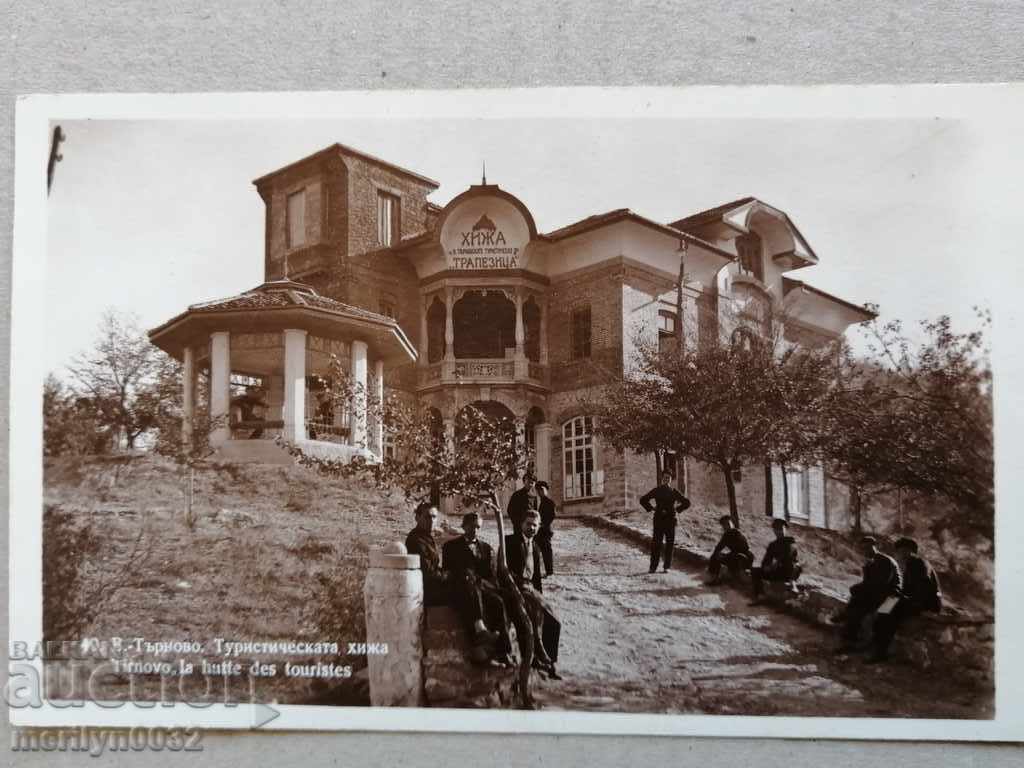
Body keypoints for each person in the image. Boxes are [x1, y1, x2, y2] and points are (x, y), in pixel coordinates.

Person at [442, 512, 512, 663]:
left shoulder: (486, 549)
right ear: (463, 526)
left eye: (478, 527)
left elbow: (491, 576)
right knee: (467, 579)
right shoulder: (450, 547)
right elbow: (447, 573)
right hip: (461, 589)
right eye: (471, 527)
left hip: (483, 588)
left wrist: (481, 583)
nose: (475, 530)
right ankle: (479, 631)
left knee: (499, 602)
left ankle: (504, 649)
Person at [505, 508, 562, 679]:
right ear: (521, 524)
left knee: (553, 622)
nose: (531, 528)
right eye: (528, 524)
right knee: (533, 620)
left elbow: (536, 577)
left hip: (531, 588)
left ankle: (550, 664)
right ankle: (537, 657)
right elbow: (503, 569)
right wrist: (518, 584)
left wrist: (541, 596)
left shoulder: (535, 546)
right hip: (514, 588)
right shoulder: (510, 542)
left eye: (535, 526)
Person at [867, 537, 943, 663]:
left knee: (889, 613)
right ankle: (877, 645)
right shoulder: (909, 564)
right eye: (899, 551)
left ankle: (881, 652)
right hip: (915, 600)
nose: (900, 554)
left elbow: (921, 590)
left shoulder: (919, 563)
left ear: (911, 551)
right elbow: (905, 588)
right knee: (884, 608)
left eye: (903, 551)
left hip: (927, 603)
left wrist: (901, 599)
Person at [834, 536, 902, 654]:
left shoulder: (884, 560)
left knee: (874, 616)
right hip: (879, 594)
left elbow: (881, 583)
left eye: (867, 548)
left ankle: (859, 643)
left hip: (892, 597)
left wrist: (860, 590)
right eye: (862, 549)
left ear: (874, 546)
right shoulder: (870, 563)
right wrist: (858, 588)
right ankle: (849, 640)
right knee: (856, 607)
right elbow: (868, 583)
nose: (864, 551)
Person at [639, 471, 691, 573]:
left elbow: (687, 503)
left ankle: (666, 567)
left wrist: (677, 509)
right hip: (658, 520)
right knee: (656, 544)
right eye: (665, 478)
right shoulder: (657, 490)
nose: (667, 479)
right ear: (662, 479)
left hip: (670, 520)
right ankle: (652, 567)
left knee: (670, 544)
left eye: (669, 478)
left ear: (671, 479)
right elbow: (643, 500)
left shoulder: (673, 491)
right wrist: (651, 508)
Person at [404, 502, 448, 606]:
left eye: (434, 517)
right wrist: (448, 575)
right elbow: (428, 572)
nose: (431, 521)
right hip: (426, 589)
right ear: (417, 518)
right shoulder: (416, 539)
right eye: (427, 517)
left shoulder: (426, 537)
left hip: (433, 584)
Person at [750, 519, 802, 604]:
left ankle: (793, 587)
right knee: (755, 571)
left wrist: (776, 563)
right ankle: (760, 596)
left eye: (781, 528)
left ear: (786, 529)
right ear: (774, 531)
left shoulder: (791, 541)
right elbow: (766, 560)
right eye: (777, 529)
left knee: (793, 566)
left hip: (790, 571)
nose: (779, 531)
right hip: (779, 572)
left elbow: (789, 554)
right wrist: (766, 567)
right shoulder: (773, 545)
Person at [707, 515, 753, 585]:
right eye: (725, 524)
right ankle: (716, 577)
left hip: (743, 558)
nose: (727, 526)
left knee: (721, 556)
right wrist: (716, 554)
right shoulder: (727, 534)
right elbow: (719, 547)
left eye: (729, 523)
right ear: (723, 526)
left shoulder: (736, 533)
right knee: (716, 556)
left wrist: (717, 555)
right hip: (738, 556)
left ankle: (718, 579)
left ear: (732, 523)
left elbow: (743, 548)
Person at [535, 480, 557, 577]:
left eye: (542, 490)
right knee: (535, 551)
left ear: (546, 490)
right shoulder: (540, 502)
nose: (540, 492)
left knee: (547, 552)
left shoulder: (550, 502)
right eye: (538, 490)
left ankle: (549, 571)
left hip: (546, 530)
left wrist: (543, 524)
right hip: (539, 531)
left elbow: (552, 516)